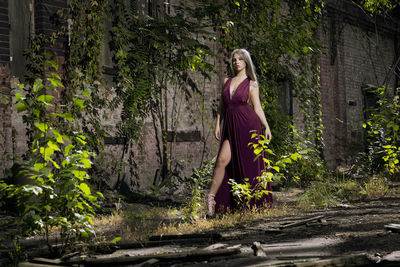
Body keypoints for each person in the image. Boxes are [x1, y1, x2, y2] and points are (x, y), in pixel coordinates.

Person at [207, 48, 273, 216]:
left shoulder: (252, 83)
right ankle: (211, 200)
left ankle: (250, 203)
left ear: (246, 62)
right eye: (234, 59)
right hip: (230, 125)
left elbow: (257, 107)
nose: (236, 62)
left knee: (247, 164)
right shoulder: (226, 81)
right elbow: (222, 106)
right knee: (222, 160)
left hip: (248, 126)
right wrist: (217, 124)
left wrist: (266, 125)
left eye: (240, 59)